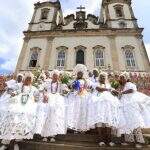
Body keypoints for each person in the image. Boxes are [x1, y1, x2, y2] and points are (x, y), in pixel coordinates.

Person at [0, 72, 38, 150]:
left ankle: (16, 142)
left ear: (32, 80)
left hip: (26, 109)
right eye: (27, 78)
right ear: (24, 79)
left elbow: (38, 95)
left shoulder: (33, 88)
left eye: (30, 79)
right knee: (12, 122)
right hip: (16, 107)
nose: (28, 80)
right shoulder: (19, 85)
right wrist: (12, 93)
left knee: (22, 124)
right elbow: (9, 89)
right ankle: (5, 143)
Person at [118, 73, 150, 148]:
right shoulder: (122, 86)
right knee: (127, 123)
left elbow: (132, 90)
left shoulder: (129, 84)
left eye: (123, 77)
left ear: (126, 78)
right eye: (120, 78)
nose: (121, 79)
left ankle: (140, 141)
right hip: (124, 106)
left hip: (131, 106)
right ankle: (129, 140)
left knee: (135, 122)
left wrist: (122, 92)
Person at [88, 72, 120, 147]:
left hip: (108, 106)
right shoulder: (96, 84)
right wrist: (109, 89)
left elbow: (113, 92)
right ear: (99, 78)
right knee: (99, 121)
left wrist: (115, 92)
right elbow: (99, 89)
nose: (103, 78)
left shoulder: (108, 85)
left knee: (108, 122)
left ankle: (109, 140)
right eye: (101, 77)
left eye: (104, 77)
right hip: (99, 105)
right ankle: (101, 140)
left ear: (106, 78)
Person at [40, 70, 67, 142]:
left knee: (55, 117)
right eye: (54, 75)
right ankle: (45, 135)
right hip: (48, 99)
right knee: (47, 116)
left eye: (56, 75)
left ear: (58, 77)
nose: (55, 77)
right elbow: (42, 90)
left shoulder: (61, 84)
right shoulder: (47, 83)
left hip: (57, 101)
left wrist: (65, 91)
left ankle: (53, 135)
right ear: (52, 76)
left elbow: (65, 91)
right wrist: (45, 95)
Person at [67, 64, 91, 132]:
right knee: (75, 112)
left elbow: (87, 88)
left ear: (83, 74)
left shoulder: (86, 80)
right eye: (78, 73)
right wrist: (73, 86)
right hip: (75, 97)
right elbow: (70, 87)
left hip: (83, 96)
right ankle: (75, 127)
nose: (79, 74)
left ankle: (82, 128)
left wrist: (83, 89)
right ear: (77, 74)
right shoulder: (73, 80)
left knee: (82, 112)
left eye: (81, 73)